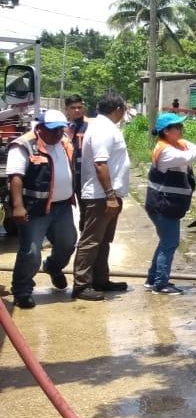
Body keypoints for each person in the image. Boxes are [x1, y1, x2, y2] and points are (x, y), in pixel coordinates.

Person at [5, 110, 78, 309]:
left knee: (68, 244)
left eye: (60, 130)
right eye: (53, 130)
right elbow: (15, 178)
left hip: (62, 207)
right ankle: (22, 291)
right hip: (34, 210)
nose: (57, 134)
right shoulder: (24, 145)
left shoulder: (64, 142)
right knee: (31, 252)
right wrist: (18, 206)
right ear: (41, 128)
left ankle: (53, 267)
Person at [145, 113, 196, 294]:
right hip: (162, 205)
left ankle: (153, 278)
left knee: (166, 241)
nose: (181, 129)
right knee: (170, 243)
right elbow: (191, 156)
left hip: (169, 204)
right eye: (177, 127)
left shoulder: (180, 144)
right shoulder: (165, 151)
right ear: (166, 131)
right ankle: (161, 283)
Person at [72, 92, 131, 301]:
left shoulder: (105, 127)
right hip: (101, 196)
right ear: (118, 110)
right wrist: (109, 195)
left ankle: (100, 279)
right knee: (91, 241)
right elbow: (100, 163)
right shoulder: (103, 129)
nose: (124, 113)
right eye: (124, 109)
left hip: (108, 195)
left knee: (104, 241)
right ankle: (81, 285)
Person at [65, 94, 89, 207]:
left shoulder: (89, 126)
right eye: (73, 108)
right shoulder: (61, 127)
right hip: (66, 173)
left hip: (83, 174)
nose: (77, 110)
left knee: (85, 208)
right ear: (66, 109)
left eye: (79, 107)